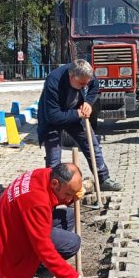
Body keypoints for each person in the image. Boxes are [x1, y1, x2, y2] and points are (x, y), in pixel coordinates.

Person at [0, 162, 89, 278]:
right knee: (72, 242)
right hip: (3, 245)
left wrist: (73, 195)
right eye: (68, 193)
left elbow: (57, 198)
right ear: (55, 183)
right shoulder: (36, 201)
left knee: (68, 215)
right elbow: (43, 247)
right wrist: (71, 277)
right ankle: (14, 276)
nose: (70, 198)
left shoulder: (44, 174)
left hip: (11, 227)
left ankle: (37, 267)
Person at [37, 58, 122, 191]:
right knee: (54, 158)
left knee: (92, 145)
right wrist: (77, 114)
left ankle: (103, 179)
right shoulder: (53, 82)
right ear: (71, 77)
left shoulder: (86, 74)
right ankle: (53, 191)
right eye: (81, 84)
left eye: (86, 84)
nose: (84, 87)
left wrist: (88, 102)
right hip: (52, 120)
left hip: (76, 114)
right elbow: (53, 116)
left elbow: (94, 87)